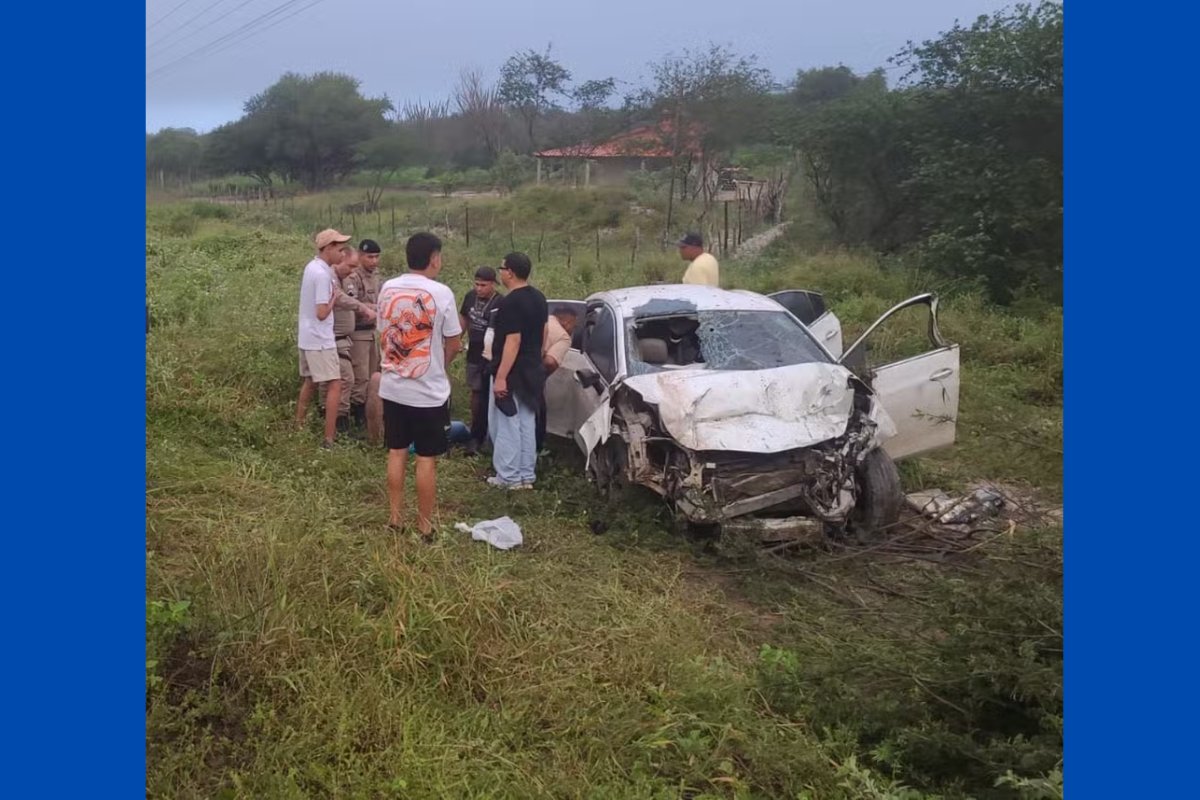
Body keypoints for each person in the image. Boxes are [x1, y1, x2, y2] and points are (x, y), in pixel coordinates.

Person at [376, 232, 463, 539]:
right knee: (426, 458)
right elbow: (454, 342)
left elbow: (384, 334)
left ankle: (395, 519)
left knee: (396, 451)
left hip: (393, 388)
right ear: (434, 259)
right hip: (428, 393)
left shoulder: (387, 288)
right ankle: (425, 526)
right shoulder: (441, 293)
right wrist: (440, 364)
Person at [488, 252, 548, 490]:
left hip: (513, 370)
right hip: (532, 368)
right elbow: (543, 332)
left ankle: (508, 476)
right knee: (526, 421)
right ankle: (526, 475)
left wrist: (501, 376)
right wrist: (537, 356)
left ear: (510, 272)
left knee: (507, 422)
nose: (500, 272)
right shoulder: (539, 298)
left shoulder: (510, 302)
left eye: (501, 268)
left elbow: (512, 341)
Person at [295, 228, 352, 449]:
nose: (343, 254)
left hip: (307, 337)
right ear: (328, 248)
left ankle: (298, 425)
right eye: (340, 249)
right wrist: (333, 299)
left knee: (310, 381)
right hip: (320, 339)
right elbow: (321, 312)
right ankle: (329, 438)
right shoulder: (323, 275)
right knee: (335, 383)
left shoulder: (311, 267)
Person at [458, 266, 504, 454]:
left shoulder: (500, 302)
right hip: (474, 353)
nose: (479, 288)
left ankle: (487, 433)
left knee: (488, 394)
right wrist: (457, 339)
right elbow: (464, 318)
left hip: (491, 355)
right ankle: (475, 432)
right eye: (476, 284)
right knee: (476, 392)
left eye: (483, 285)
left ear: (493, 284)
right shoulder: (470, 297)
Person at [316, 247, 359, 434]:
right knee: (344, 378)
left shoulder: (346, 279)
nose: (352, 271)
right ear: (340, 260)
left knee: (332, 380)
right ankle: (338, 422)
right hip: (332, 339)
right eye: (350, 266)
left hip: (343, 340)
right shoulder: (329, 277)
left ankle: (328, 419)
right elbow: (340, 298)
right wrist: (363, 308)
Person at [344, 239, 384, 432]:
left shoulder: (375, 275)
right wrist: (378, 308)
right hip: (358, 333)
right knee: (360, 378)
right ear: (360, 256)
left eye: (376, 257)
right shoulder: (353, 276)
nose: (374, 261)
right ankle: (356, 421)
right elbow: (354, 304)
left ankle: (370, 420)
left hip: (372, 332)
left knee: (372, 377)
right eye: (370, 257)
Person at [535, 309, 576, 453]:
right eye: (574, 326)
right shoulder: (563, 336)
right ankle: (535, 450)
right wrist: (546, 373)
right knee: (537, 414)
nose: (572, 330)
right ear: (567, 321)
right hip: (533, 377)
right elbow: (550, 362)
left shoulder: (539, 320)